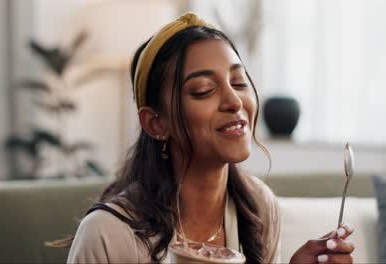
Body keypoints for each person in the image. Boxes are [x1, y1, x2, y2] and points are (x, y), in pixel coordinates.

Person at [56, 12, 355, 263]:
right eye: (203, 90)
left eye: (238, 82)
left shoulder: (259, 207)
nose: (234, 101)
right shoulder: (108, 235)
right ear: (156, 123)